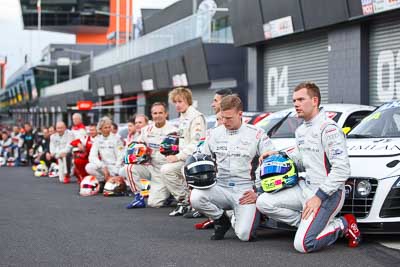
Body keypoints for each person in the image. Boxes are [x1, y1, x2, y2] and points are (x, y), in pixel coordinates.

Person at [256, 82, 361, 253]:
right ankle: (307, 224)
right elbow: (302, 160)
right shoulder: (301, 130)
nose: (296, 104)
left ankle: (343, 224)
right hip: (305, 187)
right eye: (294, 100)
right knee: (263, 202)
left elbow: (342, 169)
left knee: (304, 245)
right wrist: (278, 155)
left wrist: (319, 196)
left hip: (328, 195)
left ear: (314, 100)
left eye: (300, 99)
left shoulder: (329, 129)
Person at [190, 95, 274, 241]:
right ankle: (221, 219)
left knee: (244, 236)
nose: (224, 122)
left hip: (245, 191)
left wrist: (259, 192)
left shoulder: (257, 134)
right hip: (220, 187)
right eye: (222, 117)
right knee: (196, 197)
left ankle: (241, 216)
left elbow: (271, 163)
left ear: (240, 114)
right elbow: (200, 159)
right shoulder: (213, 134)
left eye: (229, 118)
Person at [122, 102, 178, 209]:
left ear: (166, 114)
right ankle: (138, 198)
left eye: (160, 113)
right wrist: (140, 153)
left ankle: (169, 193)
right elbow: (136, 147)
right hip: (151, 167)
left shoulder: (174, 130)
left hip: (166, 170)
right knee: (129, 167)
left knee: (154, 203)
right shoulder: (146, 130)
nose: (158, 116)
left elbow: (177, 152)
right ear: (152, 115)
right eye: (155, 113)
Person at [161, 87, 206, 216]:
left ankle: (197, 205)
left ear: (188, 100)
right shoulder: (183, 116)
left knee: (180, 170)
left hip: (195, 159)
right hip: (184, 158)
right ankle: (184, 201)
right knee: (166, 170)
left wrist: (177, 157)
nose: (177, 105)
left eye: (180, 101)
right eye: (175, 102)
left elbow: (197, 143)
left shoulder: (196, 117)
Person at [86, 117, 124, 188]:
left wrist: (116, 170)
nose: (108, 129)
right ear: (100, 129)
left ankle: (113, 180)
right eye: (105, 127)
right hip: (104, 167)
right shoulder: (97, 140)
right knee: (89, 167)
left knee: (122, 171)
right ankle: (102, 181)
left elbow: (121, 156)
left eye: (109, 127)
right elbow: (92, 156)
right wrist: (102, 166)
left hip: (116, 167)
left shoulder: (116, 139)